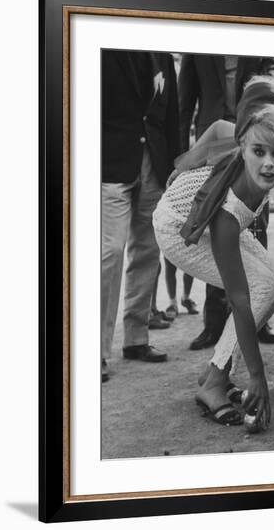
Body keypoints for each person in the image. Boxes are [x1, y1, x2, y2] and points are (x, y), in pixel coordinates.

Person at [153, 77, 274, 428]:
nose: (268, 164)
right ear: (244, 145)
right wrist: (258, 375)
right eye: (259, 152)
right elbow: (239, 300)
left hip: (205, 217)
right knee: (259, 290)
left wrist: (185, 163)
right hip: (176, 229)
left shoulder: (250, 133)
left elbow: (217, 126)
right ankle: (215, 382)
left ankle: (214, 370)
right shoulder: (229, 212)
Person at [178, 53, 274, 350]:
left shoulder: (260, 38)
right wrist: (185, 156)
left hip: (255, 137)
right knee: (215, 226)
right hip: (215, 140)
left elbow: (272, 82)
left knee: (256, 226)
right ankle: (214, 323)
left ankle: (259, 318)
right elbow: (186, 103)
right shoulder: (197, 46)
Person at [101, 49, 180, 382]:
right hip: (110, 165)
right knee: (111, 251)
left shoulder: (163, 54)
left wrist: (175, 168)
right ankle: (94, 350)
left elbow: (172, 115)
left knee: (148, 251)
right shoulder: (101, 48)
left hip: (154, 166)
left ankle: (136, 338)